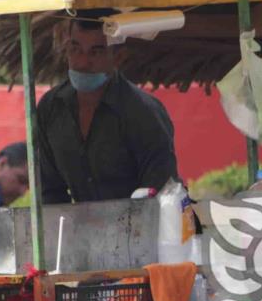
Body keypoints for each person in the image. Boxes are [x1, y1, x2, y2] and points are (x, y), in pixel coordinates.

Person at [36, 11, 179, 204]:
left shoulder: (144, 113)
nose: (82, 62)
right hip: (74, 231)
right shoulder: (50, 108)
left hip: (138, 229)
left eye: (96, 52)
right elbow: (49, 192)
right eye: (75, 49)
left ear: (118, 57)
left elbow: (162, 194)